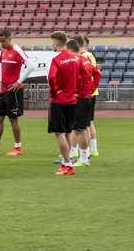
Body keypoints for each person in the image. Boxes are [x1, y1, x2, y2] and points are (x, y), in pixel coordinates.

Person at [0, 30, 35, 157]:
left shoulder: (17, 51)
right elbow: (0, 66)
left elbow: (31, 66)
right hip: (4, 90)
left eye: (3, 41)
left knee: (13, 119)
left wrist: (18, 81)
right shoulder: (3, 51)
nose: (2, 44)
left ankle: (18, 147)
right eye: (0, 42)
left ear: (10, 39)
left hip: (14, 90)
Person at [47, 32, 80, 176]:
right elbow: (84, 75)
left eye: (52, 42)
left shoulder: (57, 59)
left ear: (56, 43)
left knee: (59, 133)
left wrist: (54, 93)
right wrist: (78, 91)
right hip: (71, 99)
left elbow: (50, 77)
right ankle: (67, 162)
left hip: (59, 100)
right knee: (67, 132)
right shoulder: (75, 58)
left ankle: (68, 165)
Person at [71, 37, 100, 168]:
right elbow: (97, 74)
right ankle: (87, 154)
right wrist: (91, 89)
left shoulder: (80, 59)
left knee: (79, 129)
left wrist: (81, 94)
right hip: (89, 95)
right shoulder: (88, 58)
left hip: (82, 98)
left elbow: (84, 78)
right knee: (86, 126)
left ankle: (81, 157)